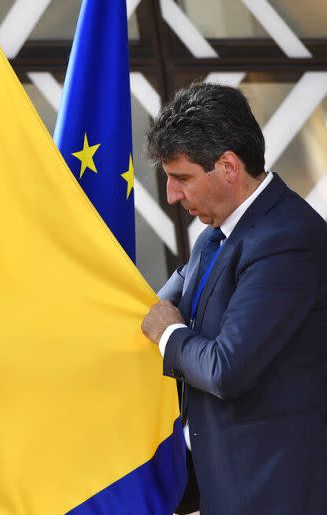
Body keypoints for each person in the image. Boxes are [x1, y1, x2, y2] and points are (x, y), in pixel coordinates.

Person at [141, 82, 327, 515]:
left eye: (181, 177)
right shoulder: (214, 238)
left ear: (227, 166)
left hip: (279, 493)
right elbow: (148, 314)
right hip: (230, 490)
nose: (171, 194)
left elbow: (225, 368)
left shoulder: (287, 239)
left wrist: (169, 334)